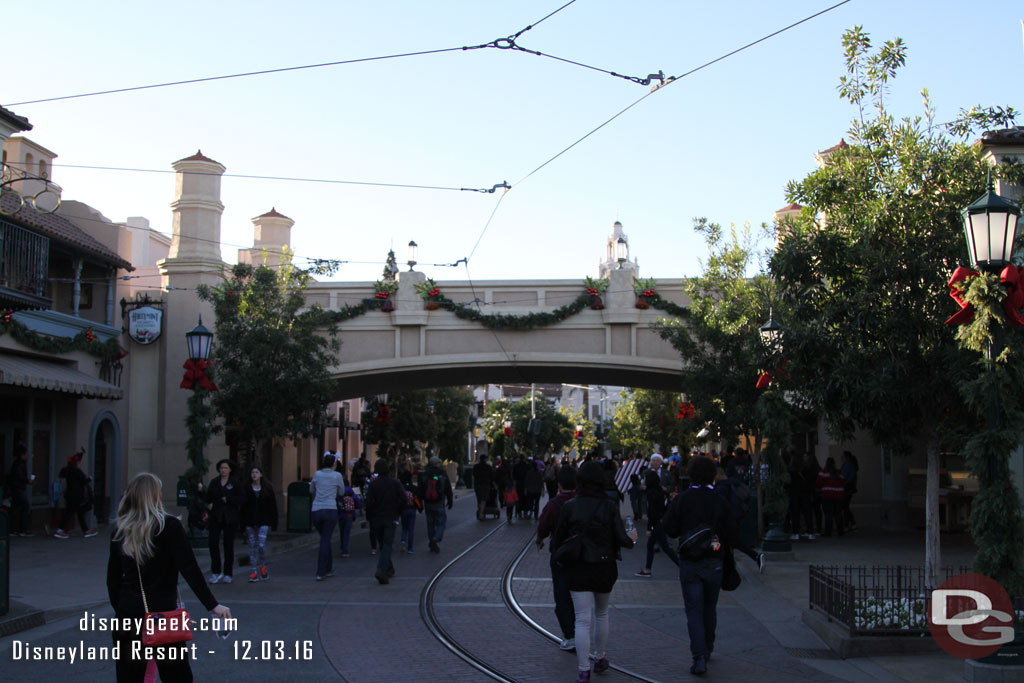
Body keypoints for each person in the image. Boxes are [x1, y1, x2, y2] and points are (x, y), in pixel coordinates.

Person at [106, 472, 232, 683]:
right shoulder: (169, 527)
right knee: (177, 676)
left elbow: (112, 579)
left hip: (128, 614)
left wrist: (122, 608)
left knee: (129, 677)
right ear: (156, 497)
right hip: (163, 614)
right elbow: (190, 570)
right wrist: (212, 605)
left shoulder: (121, 530)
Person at [554, 461, 637, 683]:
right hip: (604, 566)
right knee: (602, 613)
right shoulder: (609, 505)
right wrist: (632, 539)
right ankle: (600, 657)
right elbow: (622, 537)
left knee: (582, 619)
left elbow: (558, 538)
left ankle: (583, 670)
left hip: (579, 566)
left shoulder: (570, 506)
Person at [663, 455, 736, 676]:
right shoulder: (720, 500)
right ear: (713, 475)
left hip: (690, 562)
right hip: (714, 561)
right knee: (709, 607)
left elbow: (670, 528)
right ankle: (708, 647)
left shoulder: (683, 500)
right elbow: (731, 531)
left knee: (693, 610)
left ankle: (699, 655)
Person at [536, 465, 578, 653]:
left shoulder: (554, 504)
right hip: (582, 554)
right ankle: (581, 631)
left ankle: (570, 635)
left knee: (562, 595)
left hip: (561, 554)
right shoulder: (582, 501)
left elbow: (543, 525)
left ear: (559, 483)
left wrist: (540, 539)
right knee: (580, 595)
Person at [635, 454, 680, 577]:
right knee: (651, 545)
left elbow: (652, 511)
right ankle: (647, 569)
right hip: (658, 521)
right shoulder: (657, 492)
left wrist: (650, 527)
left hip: (657, 523)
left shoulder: (652, 493)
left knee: (665, 547)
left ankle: (682, 566)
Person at [715, 461, 764, 572]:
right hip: (735, 517)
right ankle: (749, 558)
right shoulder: (733, 483)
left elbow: (720, 504)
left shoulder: (722, 487)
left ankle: (725, 563)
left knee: (720, 540)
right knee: (731, 541)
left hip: (726, 519)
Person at [365, 458, 406, 584]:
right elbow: (404, 499)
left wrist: (369, 516)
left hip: (376, 518)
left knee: (383, 544)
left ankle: (389, 568)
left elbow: (368, 503)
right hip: (390, 517)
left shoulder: (373, 484)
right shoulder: (395, 483)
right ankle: (381, 569)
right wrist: (398, 512)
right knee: (387, 544)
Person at [206, 459, 243, 583]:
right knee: (213, 543)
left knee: (228, 545)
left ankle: (228, 572)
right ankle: (216, 571)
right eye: (221, 468)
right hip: (216, 516)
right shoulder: (214, 482)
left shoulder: (235, 483)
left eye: (225, 468)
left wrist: (229, 499)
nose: (223, 470)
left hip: (229, 517)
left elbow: (241, 498)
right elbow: (208, 497)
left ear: (230, 470)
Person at [309, 453, 344, 580]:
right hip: (330, 509)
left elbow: (311, 490)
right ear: (334, 464)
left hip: (317, 509)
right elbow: (341, 492)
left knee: (325, 538)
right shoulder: (337, 476)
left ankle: (328, 568)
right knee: (325, 539)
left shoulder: (317, 474)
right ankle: (321, 571)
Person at [243, 466, 278, 582]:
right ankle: (254, 572)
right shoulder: (247, 489)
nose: (254, 474)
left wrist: (274, 522)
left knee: (261, 545)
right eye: (252, 472)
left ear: (261, 475)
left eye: (257, 472)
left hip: (264, 521)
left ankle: (263, 567)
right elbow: (243, 507)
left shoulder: (267, 489)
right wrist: (242, 523)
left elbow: (273, 507)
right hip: (250, 521)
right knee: (252, 547)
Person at [54, 450, 96, 539]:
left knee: (78, 512)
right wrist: (90, 479)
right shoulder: (76, 471)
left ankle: (86, 530)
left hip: (68, 494)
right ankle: (60, 530)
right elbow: (83, 481)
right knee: (70, 513)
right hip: (76, 495)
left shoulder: (64, 470)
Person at [418, 455, 454, 553]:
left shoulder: (424, 475)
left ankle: (432, 542)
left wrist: (420, 504)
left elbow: (420, 491)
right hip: (439, 502)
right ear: (437, 464)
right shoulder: (442, 475)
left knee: (430, 524)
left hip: (428, 503)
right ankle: (436, 538)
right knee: (441, 522)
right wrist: (450, 501)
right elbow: (448, 489)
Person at [7, 444, 34, 536]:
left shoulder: (17, 463)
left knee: (15, 509)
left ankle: (13, 529)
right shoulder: (19, 464)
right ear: (22, 455)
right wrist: (27, 480)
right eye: (26, 454)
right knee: (25, 507)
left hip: (16, 489)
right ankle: (23, 529)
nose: (28, 456)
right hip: (18, 489)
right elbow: (20, 477)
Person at [816, 457, 847, 537]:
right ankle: (840, 532)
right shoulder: (838, 473)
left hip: (827, 496)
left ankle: (828, 532)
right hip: (839, 496)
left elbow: (818, 483)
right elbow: (843, 482)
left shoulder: (823, 472)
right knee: (838, 514)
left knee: (828, 514)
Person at [399, 468, 422, 553]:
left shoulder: (401, 488)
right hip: (412, 510)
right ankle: (410, 548)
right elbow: (418, 499)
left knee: (404, 528)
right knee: (411, 529)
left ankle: (403, 540)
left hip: (404, 510)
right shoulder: (414, 488)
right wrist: (420, 508)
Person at [337, 477, 362, 558]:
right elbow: (358, 503)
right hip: (349, 515)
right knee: (346, 533)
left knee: (342, 532)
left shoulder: (339, 492)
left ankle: (342, 548)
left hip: (341, 514)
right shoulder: (352, 492)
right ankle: (345, 550)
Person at [840, 451, 859, 532]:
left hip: (847, 489)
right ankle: (851, 524)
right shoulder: (849, 465)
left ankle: (848, 525)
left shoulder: (848, 465)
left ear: (846, 457)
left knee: (845, 507)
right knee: (845, 507)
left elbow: (844, 477)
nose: (841, 458)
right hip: (848, 488)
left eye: (843, 457)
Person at [495, 456, 516, 524]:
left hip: (501, 483)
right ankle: (508, 508)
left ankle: (502, 503)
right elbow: (511, 476)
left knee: (501, 493)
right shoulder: (509, 468)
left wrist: (497, 482)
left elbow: (496, 476)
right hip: (508, 484)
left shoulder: (500, 468)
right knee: (508, 497)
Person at [473, 454, 495, 521]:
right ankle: (481, 514)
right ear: (485, 459)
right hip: (485, 485)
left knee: (479, 500)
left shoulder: (476, 467)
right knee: (483, 500)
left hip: (477, 485)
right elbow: (492, 476)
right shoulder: (488, 467)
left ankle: (480, 511)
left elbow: (474, 475)